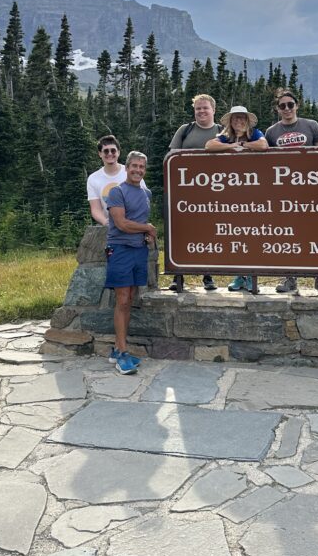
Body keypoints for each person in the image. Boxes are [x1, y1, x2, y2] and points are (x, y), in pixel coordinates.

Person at [265, 88, 318, 295]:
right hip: (284, 192)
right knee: (286, 234)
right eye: (282, 106)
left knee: (316, 232)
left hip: (310, 189)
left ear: (297, 106)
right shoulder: (271, 132)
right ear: (277, 109)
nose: (287, 109)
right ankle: (289, 277)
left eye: (290, 105)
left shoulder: (311, 125)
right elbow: (265, 162)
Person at [206, 106, 268, 291]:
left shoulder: (255, 133)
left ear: (247, 121)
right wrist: (231, 145)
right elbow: (209, 145)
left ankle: (251, 277)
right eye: (235, 119)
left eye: (242, 118)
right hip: (232, 197)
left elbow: (264, 145)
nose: (238, 122)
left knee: (253, 236)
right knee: (237, 236)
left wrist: (243, 145)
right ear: (230, 122)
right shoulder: (226, 136)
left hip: (255, 195)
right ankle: (239, 277)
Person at [105, 151, 156, 375]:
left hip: (139, 250)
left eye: (141, 167)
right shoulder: (117, 192)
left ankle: (118, 349)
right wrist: (147, 229)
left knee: (130, 299)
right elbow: (122, 223)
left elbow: (141, 220)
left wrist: (145, 234)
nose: (137, 170)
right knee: (122, 299)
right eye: (134, 166)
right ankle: (122, 355)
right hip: (120, 250)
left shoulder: (146, 193)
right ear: (126, 168)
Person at [168, 94, 221, 292]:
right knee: (183, 233)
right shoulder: (185, 130)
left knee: (210, 234)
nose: (201, 111)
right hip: (186, 194)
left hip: (214, 194)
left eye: (205, 108)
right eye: (198, 108)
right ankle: (178, 276)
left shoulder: (221, 132)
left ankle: (208, 276)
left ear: (213, 110)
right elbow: (172, 156)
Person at [87, 135, 147, 226]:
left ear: (118, 152)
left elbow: (143, 201)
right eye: (106, 151)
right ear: (100, 154)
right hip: (108, 227)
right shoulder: (93, 178)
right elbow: (95, 209)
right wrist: (105, 222)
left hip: (134, 223)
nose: (110, 154)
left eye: (113, 150)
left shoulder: (132, 172)